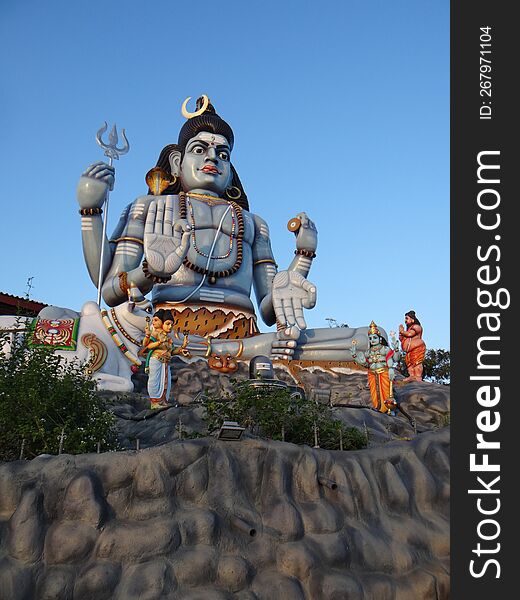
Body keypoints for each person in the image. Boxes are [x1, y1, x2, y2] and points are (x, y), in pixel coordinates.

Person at [77, 95, 373, 367]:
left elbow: (270, 309)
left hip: (245, 337)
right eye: (199, 149)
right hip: (163, 331)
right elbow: (109, 290)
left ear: (230, 168)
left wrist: (303, 256)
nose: (212, 159)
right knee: (69, 321)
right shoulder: (150, 208)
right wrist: (92, 214)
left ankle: (233, 354)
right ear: (178, 163)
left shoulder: (254, 224)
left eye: (223, 153)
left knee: (368, 341)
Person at [350, 321, 400, 414]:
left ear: (380, 339)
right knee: (374, 392)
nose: (372, 340)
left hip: (384, 372)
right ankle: (378, 407)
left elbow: (391, 359)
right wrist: (355, 355)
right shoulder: (368, 352)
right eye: (370, 338)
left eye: (374, 338)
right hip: (372, 374)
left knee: (386, 391)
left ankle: (388, 409)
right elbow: (365, 364)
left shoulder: (385, 349)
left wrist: (391, 369)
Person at [141, 309, 175, 408]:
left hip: (166, 363)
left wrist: (181, 350)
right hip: (156, 360)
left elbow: (172, 351)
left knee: (165, 382)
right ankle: (155, 402)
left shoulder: (168, 338)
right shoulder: (155, 333)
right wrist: (159, 342)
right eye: (168, 324)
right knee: (154, 381)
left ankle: (163, 400)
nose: (170, 327)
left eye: (171, 325)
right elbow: (147, 346)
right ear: (162, 323)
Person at [399, 310, 426, 383]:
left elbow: (410, 334)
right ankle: (412, 376)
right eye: (405, 319)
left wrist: (402, 331)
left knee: (416, 362)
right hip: (409, 350)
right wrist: (401, 335)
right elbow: (403, 338)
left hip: (417, 347)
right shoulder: (408, 328)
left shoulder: (417, 327)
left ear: (412, 319)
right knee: (409, 363)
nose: (405, 321)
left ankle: (417, 376)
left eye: (407, 318)